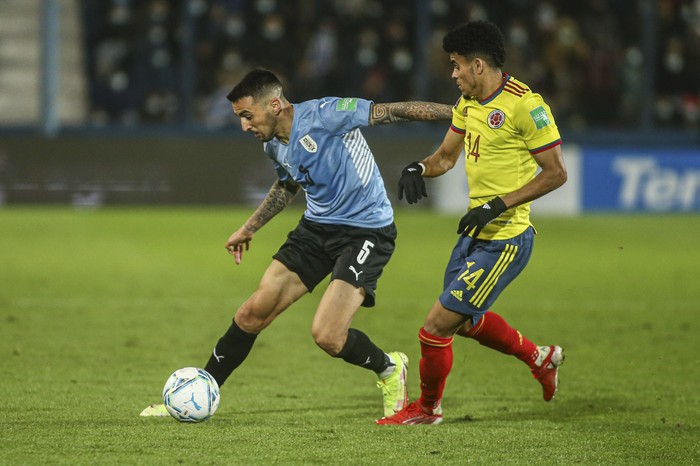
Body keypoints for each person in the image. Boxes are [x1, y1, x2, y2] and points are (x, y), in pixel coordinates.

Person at [140, 69, 453, 419]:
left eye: (247, 116)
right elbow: (287, 184)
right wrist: (250, 227)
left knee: (328, 335)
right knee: (251, 313)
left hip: (366, 231)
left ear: (274, 105)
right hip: (316, 229)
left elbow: (394, 111)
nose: (244, 126)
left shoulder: (328, 114)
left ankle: (389, 367)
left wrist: (459, 114)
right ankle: (199, 392)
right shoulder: (272, 142)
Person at [377, 20, 568, 425]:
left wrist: (498, 205)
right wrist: (418, 166)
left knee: (434, 327)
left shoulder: (526, 106)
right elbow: (445, 158)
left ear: (478, 65)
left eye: (457, 65)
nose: (453, 73)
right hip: (473, 235)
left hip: (506, 239)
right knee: (464, 323)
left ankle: (428, 410)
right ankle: (541, 358)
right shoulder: (469, 104)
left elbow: (555, 173)